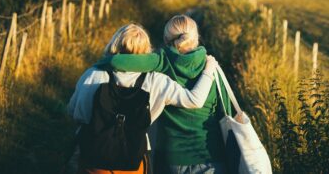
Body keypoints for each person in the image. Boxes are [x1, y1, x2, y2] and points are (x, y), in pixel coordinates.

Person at [96, 15, 242, 174]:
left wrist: (99, 63)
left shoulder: (162, 60)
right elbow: (226, 113)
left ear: (166, 39)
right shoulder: (212, 68)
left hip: (170, 159)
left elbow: (115, 62)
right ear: (196, 38)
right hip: (210, 158)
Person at [68, 23, 219, 174]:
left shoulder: (93, 74)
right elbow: (194, 100)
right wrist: (209, 70)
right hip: (133, 159)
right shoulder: (156, 81)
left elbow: (76, 112)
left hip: (94, 158)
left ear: (115, 43)